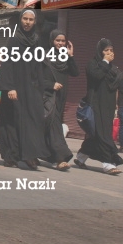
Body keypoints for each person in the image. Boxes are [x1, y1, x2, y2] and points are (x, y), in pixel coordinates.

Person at [74, 39, 123, 175]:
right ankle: (108, 163)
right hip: (95, 105)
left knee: (96, 136)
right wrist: (104, 62)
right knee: (103, 135)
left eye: (111, 50)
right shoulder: (93, 64)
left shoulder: (114, 69)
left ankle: (81, 157)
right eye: (106, 51)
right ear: (100, 52)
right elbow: (96, 76)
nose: (109, 53)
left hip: (108, 108)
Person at [0, 9, 49, 169]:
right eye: (25, 19)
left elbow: (39, 66)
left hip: (31, 89)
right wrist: (10, 88)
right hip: (15, 89)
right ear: (20, 20)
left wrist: (41, 88)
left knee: (32, 122)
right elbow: (8, 65)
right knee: (12, 122)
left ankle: (29, 155)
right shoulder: (13, 40)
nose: (27, 22)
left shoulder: (37, 41)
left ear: (35, 22)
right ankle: (12, 156)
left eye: (30, 20)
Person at [40, 30, 79, 171]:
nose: (60, 43)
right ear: (52, 41)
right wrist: (51, 85)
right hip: (48, 97)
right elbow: (35, 78)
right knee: (54, 126)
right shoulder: (43, 56)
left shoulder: (65, 58)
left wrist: (71, 56)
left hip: (61, 97)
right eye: (58, 40)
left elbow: (75, 73)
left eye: (63, 41)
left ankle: (46, 155)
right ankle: (61, 158)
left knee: (50, 126)